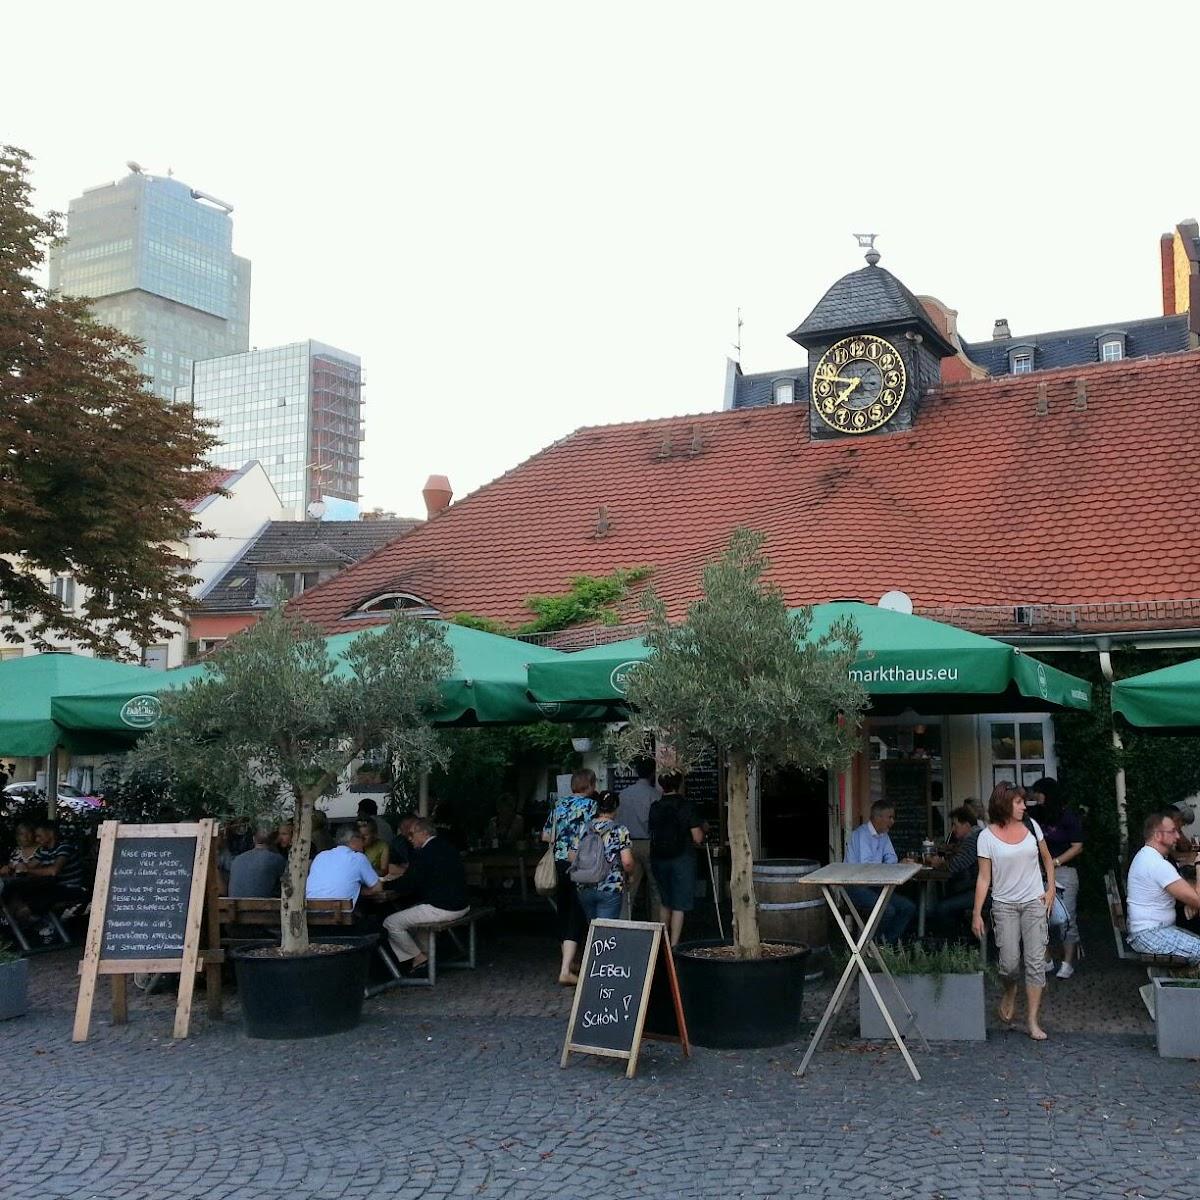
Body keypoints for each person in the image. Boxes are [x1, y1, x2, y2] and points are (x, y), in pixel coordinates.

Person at [972, 782, 1055, 1041]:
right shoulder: (986, 836)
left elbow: (1047, 859)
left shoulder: (1032, 827)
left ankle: (1032, 1021)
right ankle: (1010, 990)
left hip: (1033, 902)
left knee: (1035, 963)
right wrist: (977, 913)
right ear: (1004, 804)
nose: (1024, 806)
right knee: (1008, 964)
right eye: (1018, 802)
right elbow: (984, 878)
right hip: (1004, 905)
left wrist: (1050, 889)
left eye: (1023, 802)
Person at [382, 817, 469, 973]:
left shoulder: (424, 853)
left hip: (443, 907)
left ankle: (419, 959)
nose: (409, 839)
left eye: (411, 834)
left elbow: (409, 883)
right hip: (461, 904)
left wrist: (382, 885)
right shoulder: (446, 846)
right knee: (413, 915)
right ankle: (426, 958)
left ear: (423, 833)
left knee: (391, 922)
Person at [542, 768, 597, 985]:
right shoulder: (592, 806)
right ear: (590, 785)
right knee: (577, 911)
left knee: (564, 909)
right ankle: (565, 969)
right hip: (580, 864)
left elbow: (546, 834)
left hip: (560, 861)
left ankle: (569, 960)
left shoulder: (560, 805)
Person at [1124, 811, 1200, 961]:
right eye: (1172, 832)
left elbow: (1189, 893)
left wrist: (1191, 902)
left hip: (1152, 931)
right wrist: (1198, 865)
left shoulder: (1147, 856)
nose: (1178, 836)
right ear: (1157, 835)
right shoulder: (1157, 864)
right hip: (1150, 934)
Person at [844, 801, 916, 944]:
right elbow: (867, 867)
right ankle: (869, 945)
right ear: (878, 817)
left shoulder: (883, 835)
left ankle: (885, 945)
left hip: (876, 885)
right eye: (890, 817)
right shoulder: (861, 834)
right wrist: (892, 866)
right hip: (855, 885)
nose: (892, 821)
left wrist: (896, 865)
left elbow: (892, 858)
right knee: (887, 911)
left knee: (908, 907)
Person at [1034, 778, 1084, 979]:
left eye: (1038, 793)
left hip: (1064, 871)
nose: (1035, 797)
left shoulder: (1067, 817)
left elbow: (1077, 846)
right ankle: (1046, 959)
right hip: (1040, 872)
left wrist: (1054, 863)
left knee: (1066, 917)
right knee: (1038, 916)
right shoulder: (1036, 815)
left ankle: (1067, 962)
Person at [648, 771, 704, 947]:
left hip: (659, 857)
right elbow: (697, 837)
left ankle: (662, 942)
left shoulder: (655, 806)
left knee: (666, 901)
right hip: (682, 858)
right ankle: (674, 944)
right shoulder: (686, 806)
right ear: (679, 785)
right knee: (680, 903)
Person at [572, 791, 635, 922]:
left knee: (593, 928)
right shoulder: (619, 830)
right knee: (605, 931)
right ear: (615, 807)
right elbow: (627, 862)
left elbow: (571, 857)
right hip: (610, 886)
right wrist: (631, 875)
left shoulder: (583, 828)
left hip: (584, 885)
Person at [617, 757, 662, 919]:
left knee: (629, 889)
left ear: (635, 772)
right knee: (656, 889)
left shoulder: (623, 795)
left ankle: (624, 924)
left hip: (627, 845)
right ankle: (656, 927)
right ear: (652, 773)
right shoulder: (656, 796)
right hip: (650, 844)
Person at [929, 807, 981, 938]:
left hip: (980, 892)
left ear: (967, 825)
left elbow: (955, 865)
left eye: (955, 825)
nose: (952, 829)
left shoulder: (974, 840)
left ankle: (955, 943)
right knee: (946, 898)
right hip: (977, 888)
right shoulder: (977, 836)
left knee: (942, 907)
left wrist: (939, 863)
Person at [306, 826, 383, 906]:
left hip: (310, 911)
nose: (364, 844)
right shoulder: (357, 858)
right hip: (338, 914)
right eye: (362, 839)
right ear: (354, 840)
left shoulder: (320, 856)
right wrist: (358, 891)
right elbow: (378, 888)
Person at [228, 825, 286, 898]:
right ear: (276, 839)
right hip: (265, 908)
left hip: (234, 908)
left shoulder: (236, 860)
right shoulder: (278, 860)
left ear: (253, 839)